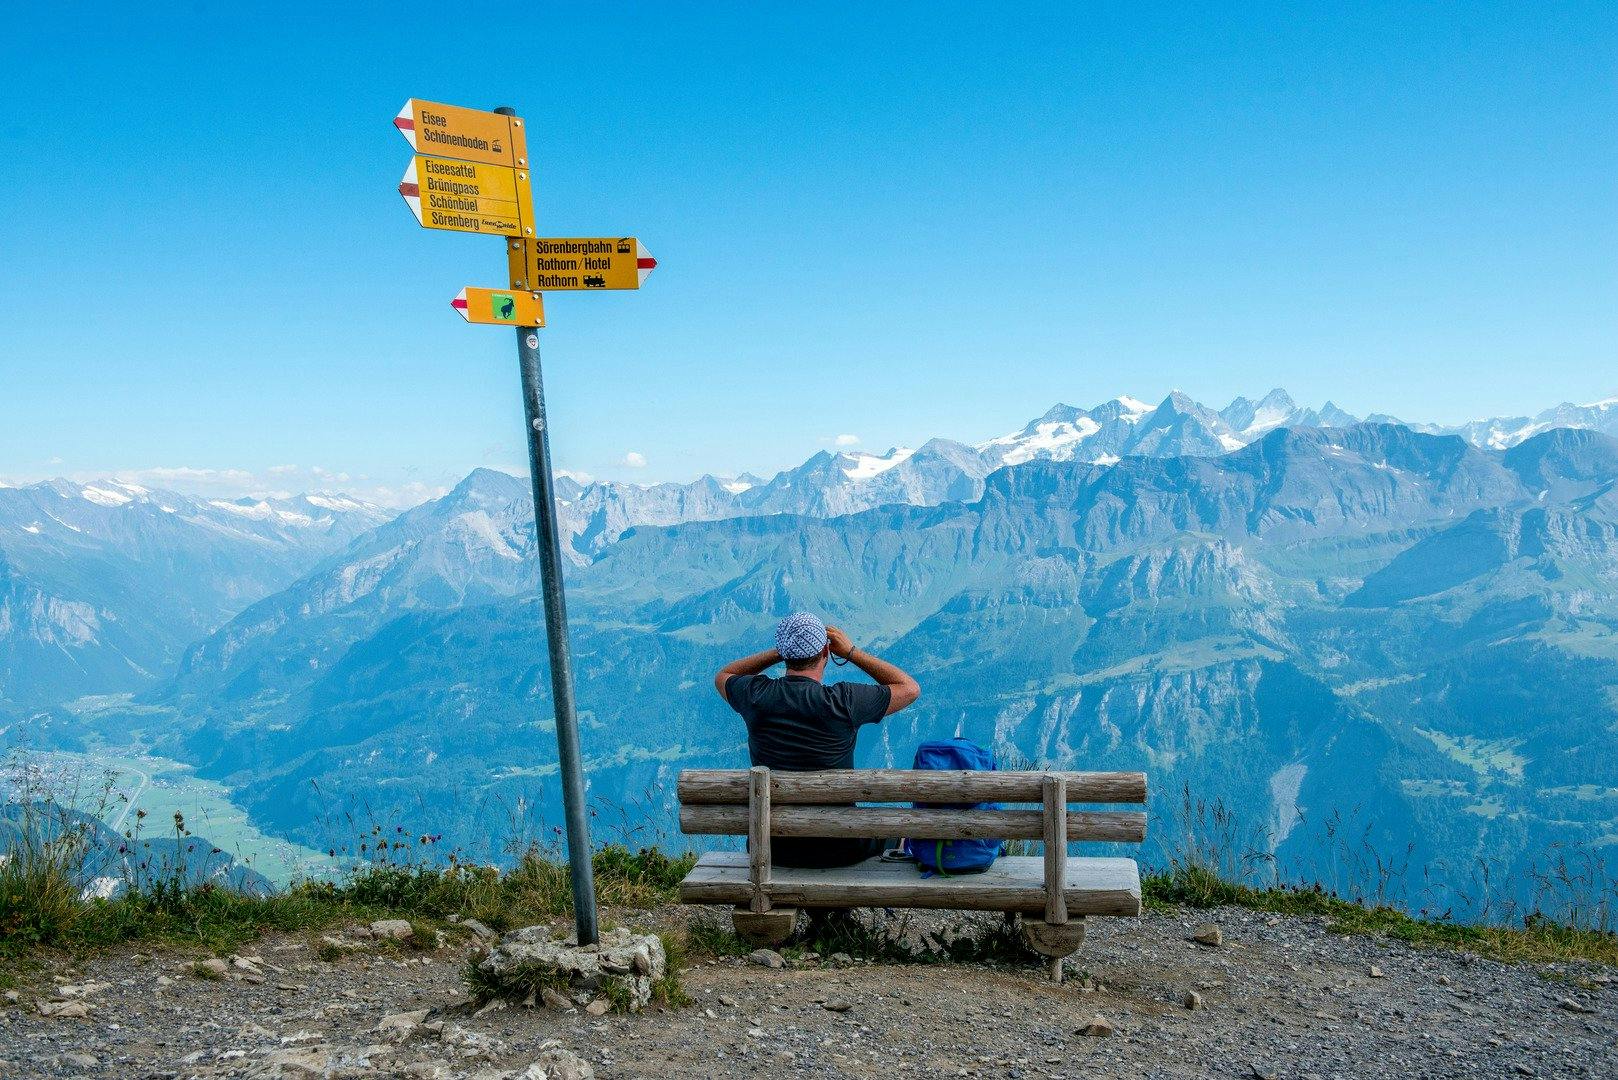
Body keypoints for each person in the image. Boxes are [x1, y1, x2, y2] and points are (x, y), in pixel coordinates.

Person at [713, 611, 921, 868]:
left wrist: (782, 650)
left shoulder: (756, 695)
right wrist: (851, 652)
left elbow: (723, 675)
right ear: (825, 652)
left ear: (785, 654)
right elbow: (909, 688)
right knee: (900, 831)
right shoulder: (843, 701)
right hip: (841, 846)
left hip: (772, 847)